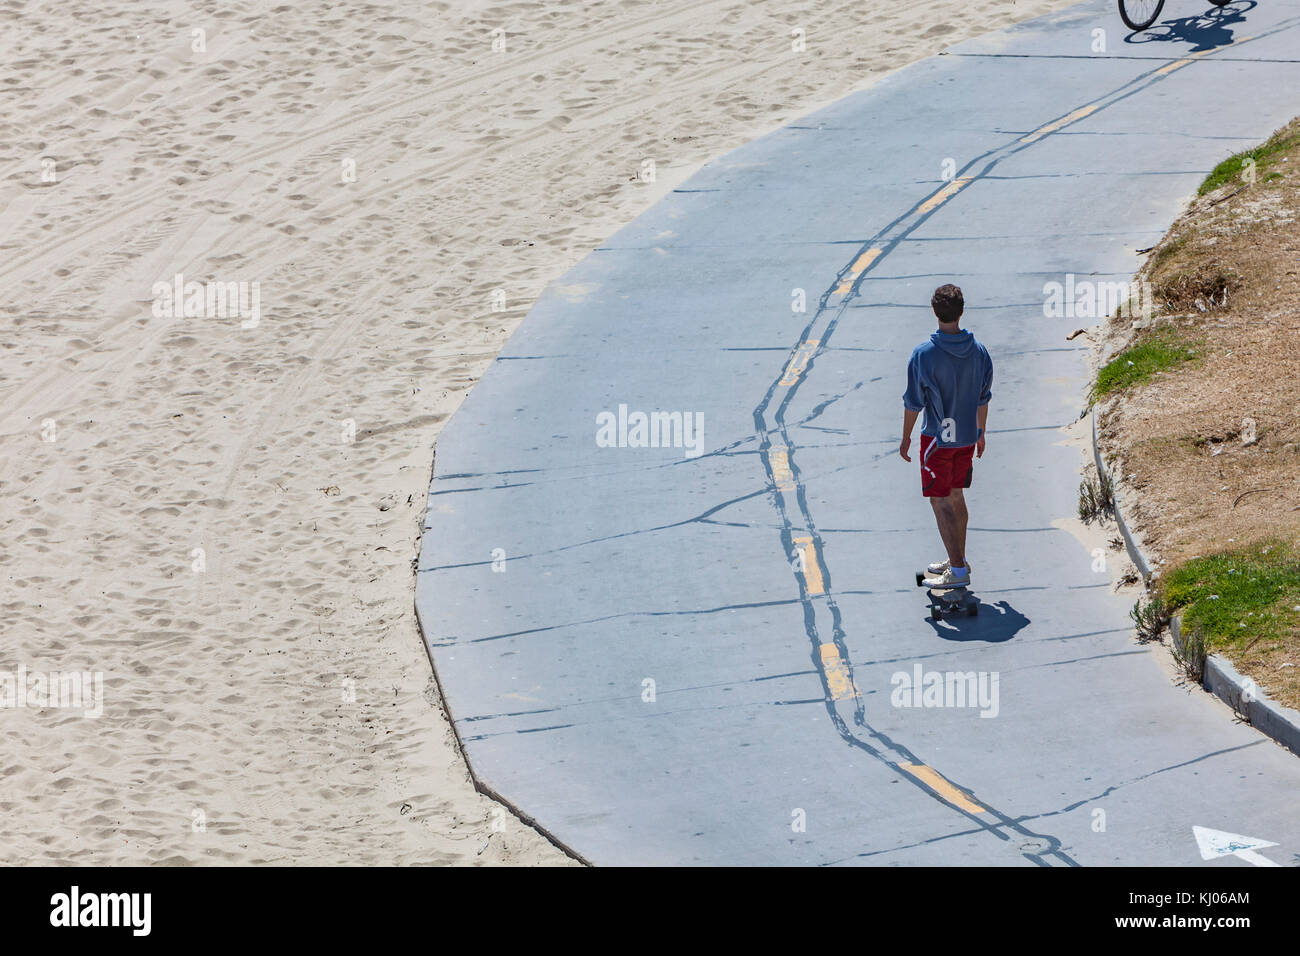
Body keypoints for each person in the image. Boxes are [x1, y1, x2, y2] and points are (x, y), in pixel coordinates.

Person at [898, 284, 992, 589]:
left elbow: (913, 402)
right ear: (961, 311)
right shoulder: (979, 351)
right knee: (956, 496)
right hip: (966, 436)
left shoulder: (924, 354)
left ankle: (958, 571)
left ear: (935, 311)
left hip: (937, 441)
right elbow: (983, 397)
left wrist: (906, 438)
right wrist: (981, 433)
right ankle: (958, 560)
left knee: (939, 501)